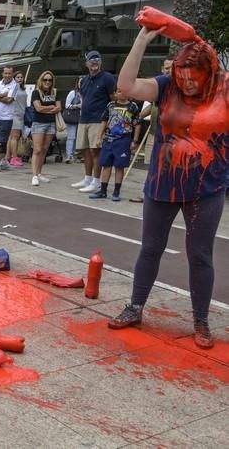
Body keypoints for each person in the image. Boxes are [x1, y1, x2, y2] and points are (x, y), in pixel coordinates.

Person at [108, 26, 228, 349]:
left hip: (207, 187)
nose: (186, 83)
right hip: (163, 183)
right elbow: (127, 86)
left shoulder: (225, 91)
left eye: (194, 78)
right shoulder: (166, 86)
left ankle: (200, 320)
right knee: (150, 247)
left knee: (200, 254)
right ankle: (135, 306)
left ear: (210, 73)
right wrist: (141, 41)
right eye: (182, 75)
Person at [71, 50, 116, 193]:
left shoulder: (107, 78)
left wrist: (109, 120)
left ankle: (96, 181)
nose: (94, 62)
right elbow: (83, 98)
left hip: (98, 120)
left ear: (101, 62)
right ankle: (87, 178)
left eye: (97, 59)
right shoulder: (83, 80)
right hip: (84, 119)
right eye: (91, 60)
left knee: (95, 150)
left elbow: (113, 98)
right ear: (87, 63)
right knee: (85, 150)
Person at [130, 59, 174, 203]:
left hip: (170, 138)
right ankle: (149, 193)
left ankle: (167, 194)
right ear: (162, 69)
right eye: (166, 68)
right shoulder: (159, 86)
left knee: (168, 167)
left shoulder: (177, 88)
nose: (168, 70)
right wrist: (137, 117)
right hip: (154, 132)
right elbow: (151, 106)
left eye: (171, 67)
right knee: (151, 165)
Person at [88, 88, 140, 201]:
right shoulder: (110, 105)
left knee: (119, 166)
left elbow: (137, 124)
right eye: (120, 91)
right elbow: (104, 121)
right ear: (115, 94)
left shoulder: (133, 107)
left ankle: (116, 191)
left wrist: (135, 140)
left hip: (123, 139)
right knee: (106, 164)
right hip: (109, 139)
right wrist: (99, 137)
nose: (123, 93)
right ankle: (103, 190)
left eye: (125, 91)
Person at [29, 70, 61, 186]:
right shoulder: (36, 92)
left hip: (51, 124)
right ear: (41, 80)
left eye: (50, 80)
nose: (47, 82)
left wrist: (46, 108)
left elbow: (58, 108)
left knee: (44, 150)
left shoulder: (55, 92)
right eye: (45, 79)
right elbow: (38, 108)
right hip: (39, 123)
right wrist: (51, 108)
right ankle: (34, 175)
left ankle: (39, 173)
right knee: (37, 149)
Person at [6, 70, 27, 167]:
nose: (20, 79)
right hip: (14, 115)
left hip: (21, 114)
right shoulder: (13, 88)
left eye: (21, 77)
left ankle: (8, 156)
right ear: (14, 79)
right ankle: (14, 157)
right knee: (15, 137)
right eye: (17, 77)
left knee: (12, 137)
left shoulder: (22, 89)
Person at [64, 78, 82, 163]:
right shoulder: (73, 93)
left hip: (83, 118)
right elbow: (67, 105)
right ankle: (69, 155)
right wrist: (76, 106)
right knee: (71, 137)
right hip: (73, 117)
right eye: (80, 82)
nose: (81, 84)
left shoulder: (87, 93)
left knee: (78, 137)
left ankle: (75, 154)